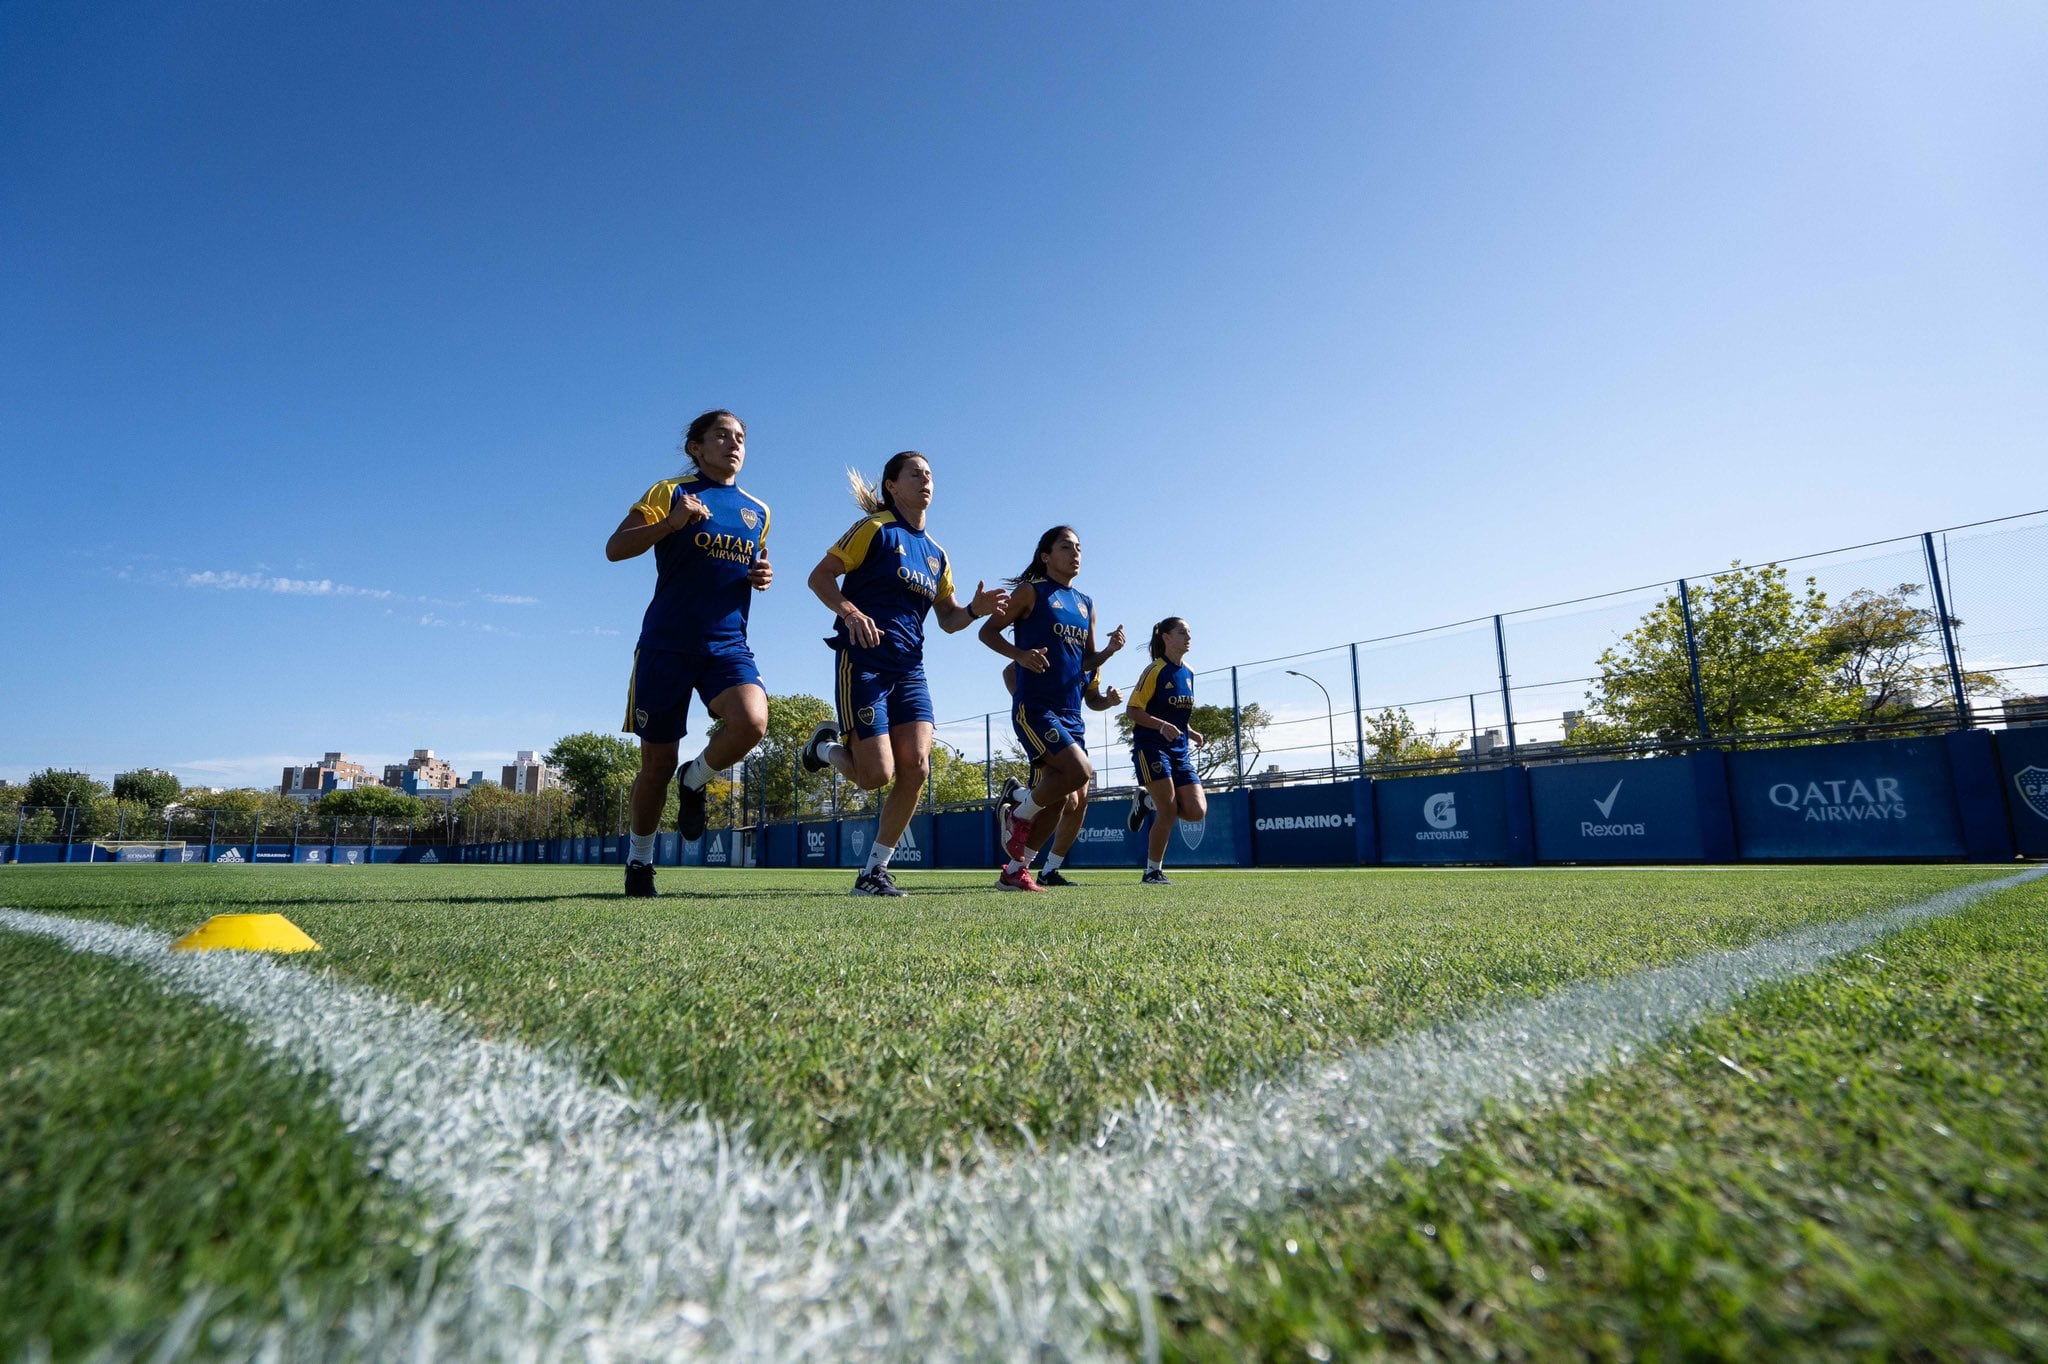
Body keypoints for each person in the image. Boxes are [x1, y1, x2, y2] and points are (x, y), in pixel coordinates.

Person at [800, 452, 1006, 896]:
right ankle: (825, 749)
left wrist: (974, 610)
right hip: (863, 663)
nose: (925, 480)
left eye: (929, 474)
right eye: (915, 473)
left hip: (911, 670)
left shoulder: (937, 554)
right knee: (876, 774)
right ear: (892, 486)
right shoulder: (875, 529)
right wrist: (850, 611)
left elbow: (948, 619)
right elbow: (820, 577)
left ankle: (874, 871)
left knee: (916, 767)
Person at [604, 409, 773, 897]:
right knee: (656, 766)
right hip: (666, 645)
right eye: (721, 435)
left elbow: (749, 565)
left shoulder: (758, 511)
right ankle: (640, 861)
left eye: (740, 437)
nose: (733, 443)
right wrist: (672, 523)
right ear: (696, 448)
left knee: (752, 722)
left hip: (728, 645)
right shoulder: (670, 492)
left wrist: (762, 575)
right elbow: (615, 548)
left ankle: (695, 779)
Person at [979, 525, 1124, 891]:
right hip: (1036, 707)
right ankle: (1019, 812)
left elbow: (1085, 661)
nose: (1075, 553)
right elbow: (987, 632)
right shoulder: (1031, 592)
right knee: (1080, 772)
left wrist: (1108, 652)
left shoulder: (1086, 604)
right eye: (1065, 547)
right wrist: (1020, 655)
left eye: (1079, 548)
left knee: (1065, 798)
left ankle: (1015, 871)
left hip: (1072, 713)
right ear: (1046, 556)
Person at [999, 666, 1122, 885]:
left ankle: (1048, 871)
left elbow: (1093, 699)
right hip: (1045, 725)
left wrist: (1108, 701)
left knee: (1079, 802)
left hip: (1074, 730)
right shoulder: (1056, 646)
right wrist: (1026, 703)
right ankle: (1018, 807)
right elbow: (1010, 672)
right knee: (1066, 798)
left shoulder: (1094, 664)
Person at [1125, 616, 1206, 884]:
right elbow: (1132, 710)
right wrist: (1160, 725)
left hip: (1179, 751)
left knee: (1196, 811)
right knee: (1168, 811)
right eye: (1182, 632)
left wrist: (1190, 731)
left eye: (1189, 632)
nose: (1188, 637)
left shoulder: (1189, 672)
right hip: (1151, 746)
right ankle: (1152, 872)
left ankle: (1146, 801)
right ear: (1166, 638)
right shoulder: (1154, 670)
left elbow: (1177, 714)